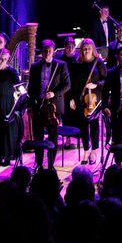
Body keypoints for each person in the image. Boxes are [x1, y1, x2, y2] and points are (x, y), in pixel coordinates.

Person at [27, 39, 70, 170]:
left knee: (53, 136)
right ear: (42, 51)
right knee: (38, 135)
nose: (47, 53)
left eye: (49, 51)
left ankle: (51, 164)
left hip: (54, 106)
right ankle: (39, 163)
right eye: (45, 51)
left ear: (53, 52)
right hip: (39, 105)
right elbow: (31, 87)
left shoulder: (61, 65)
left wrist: (54, 93)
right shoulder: (35, 67)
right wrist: (32, 102)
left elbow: (67, 84)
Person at [66, 38, 106, 165]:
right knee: (83, 126)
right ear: (81, 50)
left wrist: (96, 85)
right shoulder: (77, 64)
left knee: (94, 125)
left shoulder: (98, 63)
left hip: (94, 99)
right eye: (84, 48)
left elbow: (106, 80)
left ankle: (94, 150)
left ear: (93, 49)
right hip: (80, 98)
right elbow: (71, 83)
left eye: (88, 48)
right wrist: (71, 98)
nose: (86, 50)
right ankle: (86, 150)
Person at [0, 47, 21, 165]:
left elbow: (18, 85)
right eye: (1, 59)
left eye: (5, 59)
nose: (2, 61)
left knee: (6, 130)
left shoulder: (12, 71)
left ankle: (7, 156)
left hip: (7, 103)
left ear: (7, 59)